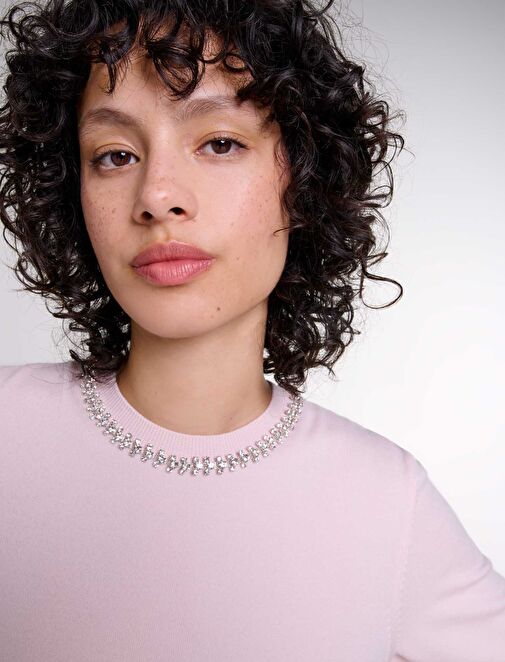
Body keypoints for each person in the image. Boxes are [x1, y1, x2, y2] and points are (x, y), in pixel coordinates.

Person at [0, 1, 504, 660]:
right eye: (115, 155)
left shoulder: (387, 503)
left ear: (303, 178)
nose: (156, 196)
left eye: (218, 143)